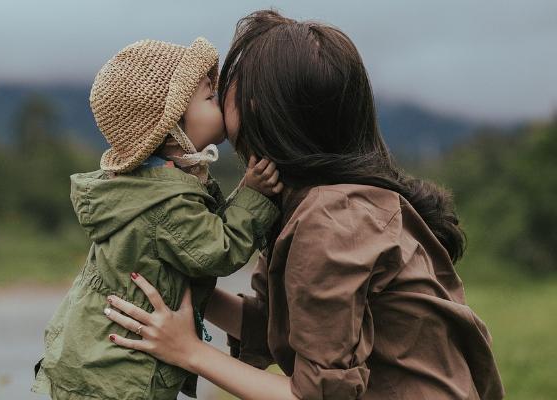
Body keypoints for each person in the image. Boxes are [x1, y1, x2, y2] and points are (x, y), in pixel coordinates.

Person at [102, 10, 505, 400]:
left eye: (227, 88)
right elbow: (287, 326)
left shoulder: (333, 218)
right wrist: (187, 283)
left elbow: (316, 395)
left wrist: (188, 350)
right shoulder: (326, 200)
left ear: (260, 108)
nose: (218, 96)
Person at [31, 37, 283, 400]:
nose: (222, 101)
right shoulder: (164, 202)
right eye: (211, 98)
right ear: (171, 130)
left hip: (95, 364)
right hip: (118, 380)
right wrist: (255, 198)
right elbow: (217, 250)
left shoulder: (151, 185)